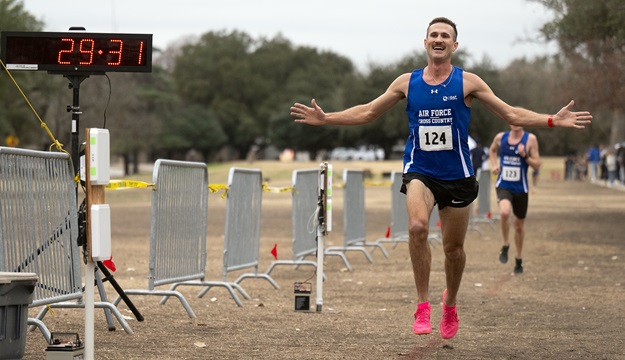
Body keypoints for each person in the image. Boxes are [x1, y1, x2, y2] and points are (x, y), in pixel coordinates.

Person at [290, 17, 592, 340]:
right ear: (425, 43)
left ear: (454, 45)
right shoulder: (407, 83)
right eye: (433, 34)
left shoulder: (468, 83)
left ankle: (450, 301)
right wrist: (327, 118)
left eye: (445, 36)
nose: (438, 39)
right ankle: (423, 305)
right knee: (418, 227)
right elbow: (368, 112)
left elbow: (511, 115)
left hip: (457, 176)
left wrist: (551, 120)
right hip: (420, 170)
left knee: (453, 250)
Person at [489, 126, 541, 274]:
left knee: (519, 226)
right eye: (513, 120)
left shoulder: (530, 139)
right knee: (504, 213)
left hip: (521, 189)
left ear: (523, 122)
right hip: (503, 185)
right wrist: (495, 165)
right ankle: (505, 244)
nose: (515, 123)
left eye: (519, 120)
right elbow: (492, 150)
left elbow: (537, 164)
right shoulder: (501, 137)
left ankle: (518, 258)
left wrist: (525, 156)